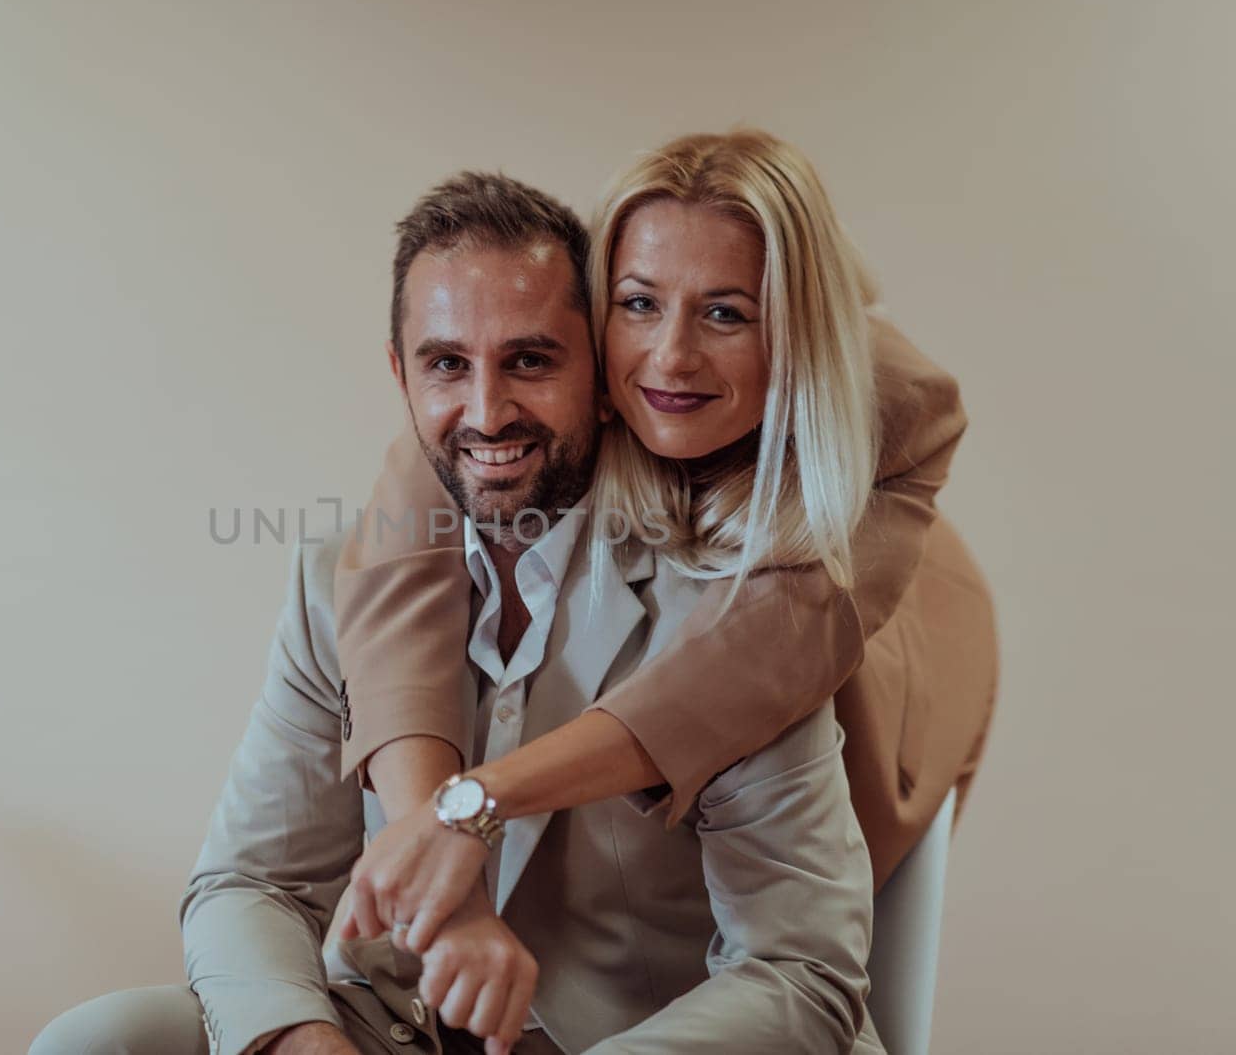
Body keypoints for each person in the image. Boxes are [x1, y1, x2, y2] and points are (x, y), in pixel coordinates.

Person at [31, 171, 886, 1054]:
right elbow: (252, 882)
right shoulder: (341, 580)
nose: (486, 412)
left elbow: (798, 971)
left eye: (529, 360)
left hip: (644, 1039)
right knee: (100, 1039)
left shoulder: (741, 604)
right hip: (401, 1030)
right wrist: (299, 1041)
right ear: (401, 375)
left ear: (600, 373)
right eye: (447, 363)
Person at [333, 130, 997, 958]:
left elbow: (744, 663)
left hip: (879, 642)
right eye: (639, 304)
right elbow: (401, 572)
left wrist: (475, 803)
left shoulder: (896, 406)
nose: (671, 357)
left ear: (795, 328)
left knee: (811, 948)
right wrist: (441, 863)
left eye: (725, 313)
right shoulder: (514, 385)